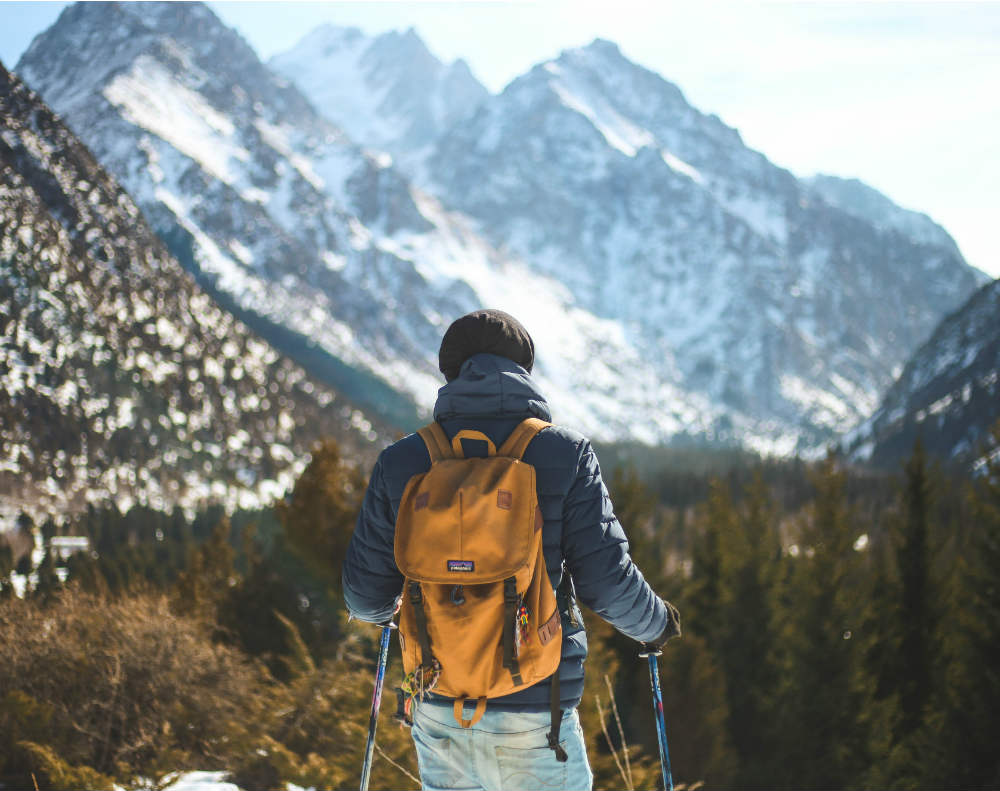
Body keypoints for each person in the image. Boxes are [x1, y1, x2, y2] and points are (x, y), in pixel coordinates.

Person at [343, 309, 680, 791]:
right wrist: (656, 625)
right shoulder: (565, 454)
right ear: (524, 370)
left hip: (439, 706)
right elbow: (606, 581)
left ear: (451, 371)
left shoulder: (403, 462)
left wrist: (398, 608)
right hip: (537, 711)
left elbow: (363, 597)